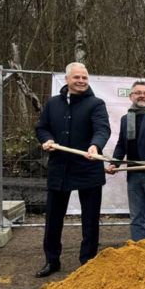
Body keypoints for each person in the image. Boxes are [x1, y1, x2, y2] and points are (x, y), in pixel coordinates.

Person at [34, 62, 111, 277]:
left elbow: (102, 128)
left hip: (88, 168)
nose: (81, 81)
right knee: (53, 219)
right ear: (67, 79)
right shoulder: (53, 104)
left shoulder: (96, 104)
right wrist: (47, 139)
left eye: (84, 78)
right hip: (59, 168)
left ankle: (88, 261)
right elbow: (41, 127)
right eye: (77, 77)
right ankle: (52, 260)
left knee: (90, 219)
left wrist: (95, 145)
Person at [106, 81, 145, 241]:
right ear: (131, 96)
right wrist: (115, 163)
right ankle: (138, 252)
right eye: (137, 92)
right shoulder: (126, 119)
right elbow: (122, 145)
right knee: (136, 219)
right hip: (133, 175)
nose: (142, 95)